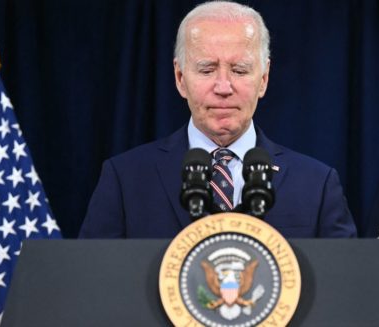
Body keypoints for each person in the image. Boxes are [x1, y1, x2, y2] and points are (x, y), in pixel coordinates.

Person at [79, 1, 356, 238]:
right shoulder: (124, 179)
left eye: (239, 70)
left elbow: (343, 285)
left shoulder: (317, 185)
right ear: (180, 78)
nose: (223, 87)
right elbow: (93, 283)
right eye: (207, 69)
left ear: (264, 79)